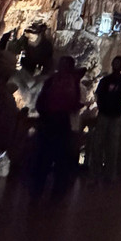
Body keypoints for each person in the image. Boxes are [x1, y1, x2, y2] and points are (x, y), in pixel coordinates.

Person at [31, 55, 84, 196]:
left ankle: (55, 189)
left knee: (59, 156)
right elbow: (42, 99)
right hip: (50, 120)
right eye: (61, 64)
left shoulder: (72, 82)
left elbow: (74, 101)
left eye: (64, 64)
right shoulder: (53, 81)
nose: (61, 67)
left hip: (61, 120)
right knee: (45, 155)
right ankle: (40, 187)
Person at [90, 56, 121, 182]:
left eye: (118, 63)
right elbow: (99, 95)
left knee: (112, 146)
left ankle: (109, 174)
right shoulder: (105, 80)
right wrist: (101, 106)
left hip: (115, 115)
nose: (116, 65)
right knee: (98, 144)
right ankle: (95, 173)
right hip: (104, 114)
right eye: (115, 62)